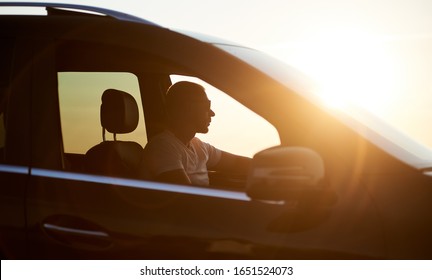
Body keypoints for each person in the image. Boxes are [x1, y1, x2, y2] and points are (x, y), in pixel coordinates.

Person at [140, 81, 251, 186]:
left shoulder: (198, 146)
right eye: (206, 106)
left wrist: (266, 166)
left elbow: (237, 163)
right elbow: (186, 201)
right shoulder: (162, 147)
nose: (212, 113)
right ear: (186, 109)